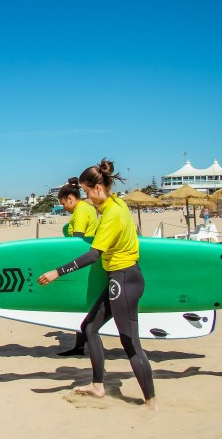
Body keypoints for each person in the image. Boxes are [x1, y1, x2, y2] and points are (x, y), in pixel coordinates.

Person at [37, 159, 156, 410]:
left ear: (98, 188)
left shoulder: (112, 213)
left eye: (88, 192)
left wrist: (58, 272)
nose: (88, 198)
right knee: (90, 328)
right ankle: (98, 386)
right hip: (120, 279)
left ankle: (151, 403)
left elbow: (93, 255)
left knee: (131, 344)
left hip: (123, 279)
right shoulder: (117, 204)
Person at [57, 177, 100, 356]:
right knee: (83, 306)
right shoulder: (88, 208)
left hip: (82, 261)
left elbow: (78, 241)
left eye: (63, 203)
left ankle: (84, 346)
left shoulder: (81, 211)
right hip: (88, 259)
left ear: (70, 198)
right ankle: (80, 346)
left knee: (81, 305)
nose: (64, 208)